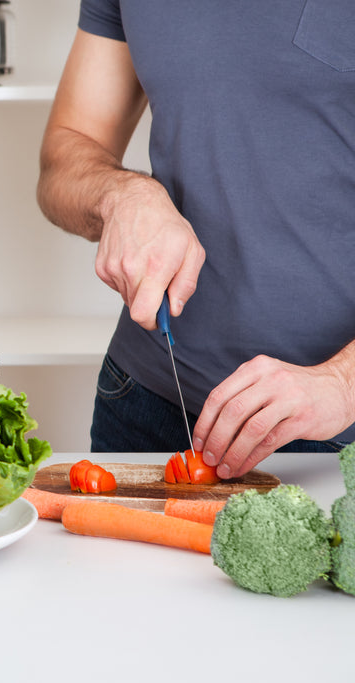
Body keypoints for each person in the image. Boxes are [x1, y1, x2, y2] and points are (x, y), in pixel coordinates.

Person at [37, 0, 355, 478]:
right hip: (149, 401)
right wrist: (121, 193)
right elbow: (68, 150)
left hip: (337, 428)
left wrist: (342, 385)